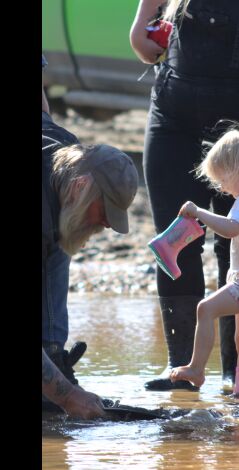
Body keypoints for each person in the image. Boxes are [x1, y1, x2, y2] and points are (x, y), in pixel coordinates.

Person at [130, 0, 239, 391]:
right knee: (174, 238)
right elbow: (143, 36)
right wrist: (141, 29)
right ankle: (181, 369)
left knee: (238, 244)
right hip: (174, 115)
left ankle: (233, 372)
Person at [42, 78, 139, 415]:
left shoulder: (66, 147)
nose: (108, 225)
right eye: (106, 211)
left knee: (64, 234)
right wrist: (67, 396)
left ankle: (52, 356)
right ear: (81, 185)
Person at [170, 128, 239, 388]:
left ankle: (195, 369)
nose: (221, 188)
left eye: (223, 180)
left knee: (206, 308)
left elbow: (231, 229)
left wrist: (199, 212)